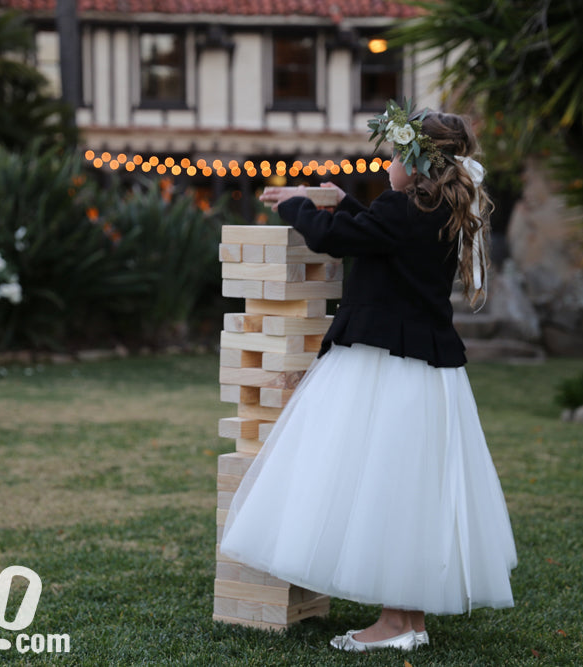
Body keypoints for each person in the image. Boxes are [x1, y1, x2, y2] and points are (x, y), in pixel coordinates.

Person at [218, 100, 517, 653]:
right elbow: (373, 232)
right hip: (426, 372)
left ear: (416, 165)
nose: (386, 166)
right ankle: (408, 619)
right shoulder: (437, 213)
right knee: (408, 490)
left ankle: (398, 624)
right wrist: (339, 200)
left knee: (384, 485)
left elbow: (338, 238)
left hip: (387, 367)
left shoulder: (403, 213)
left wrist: (299, 205)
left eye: (394, 157)